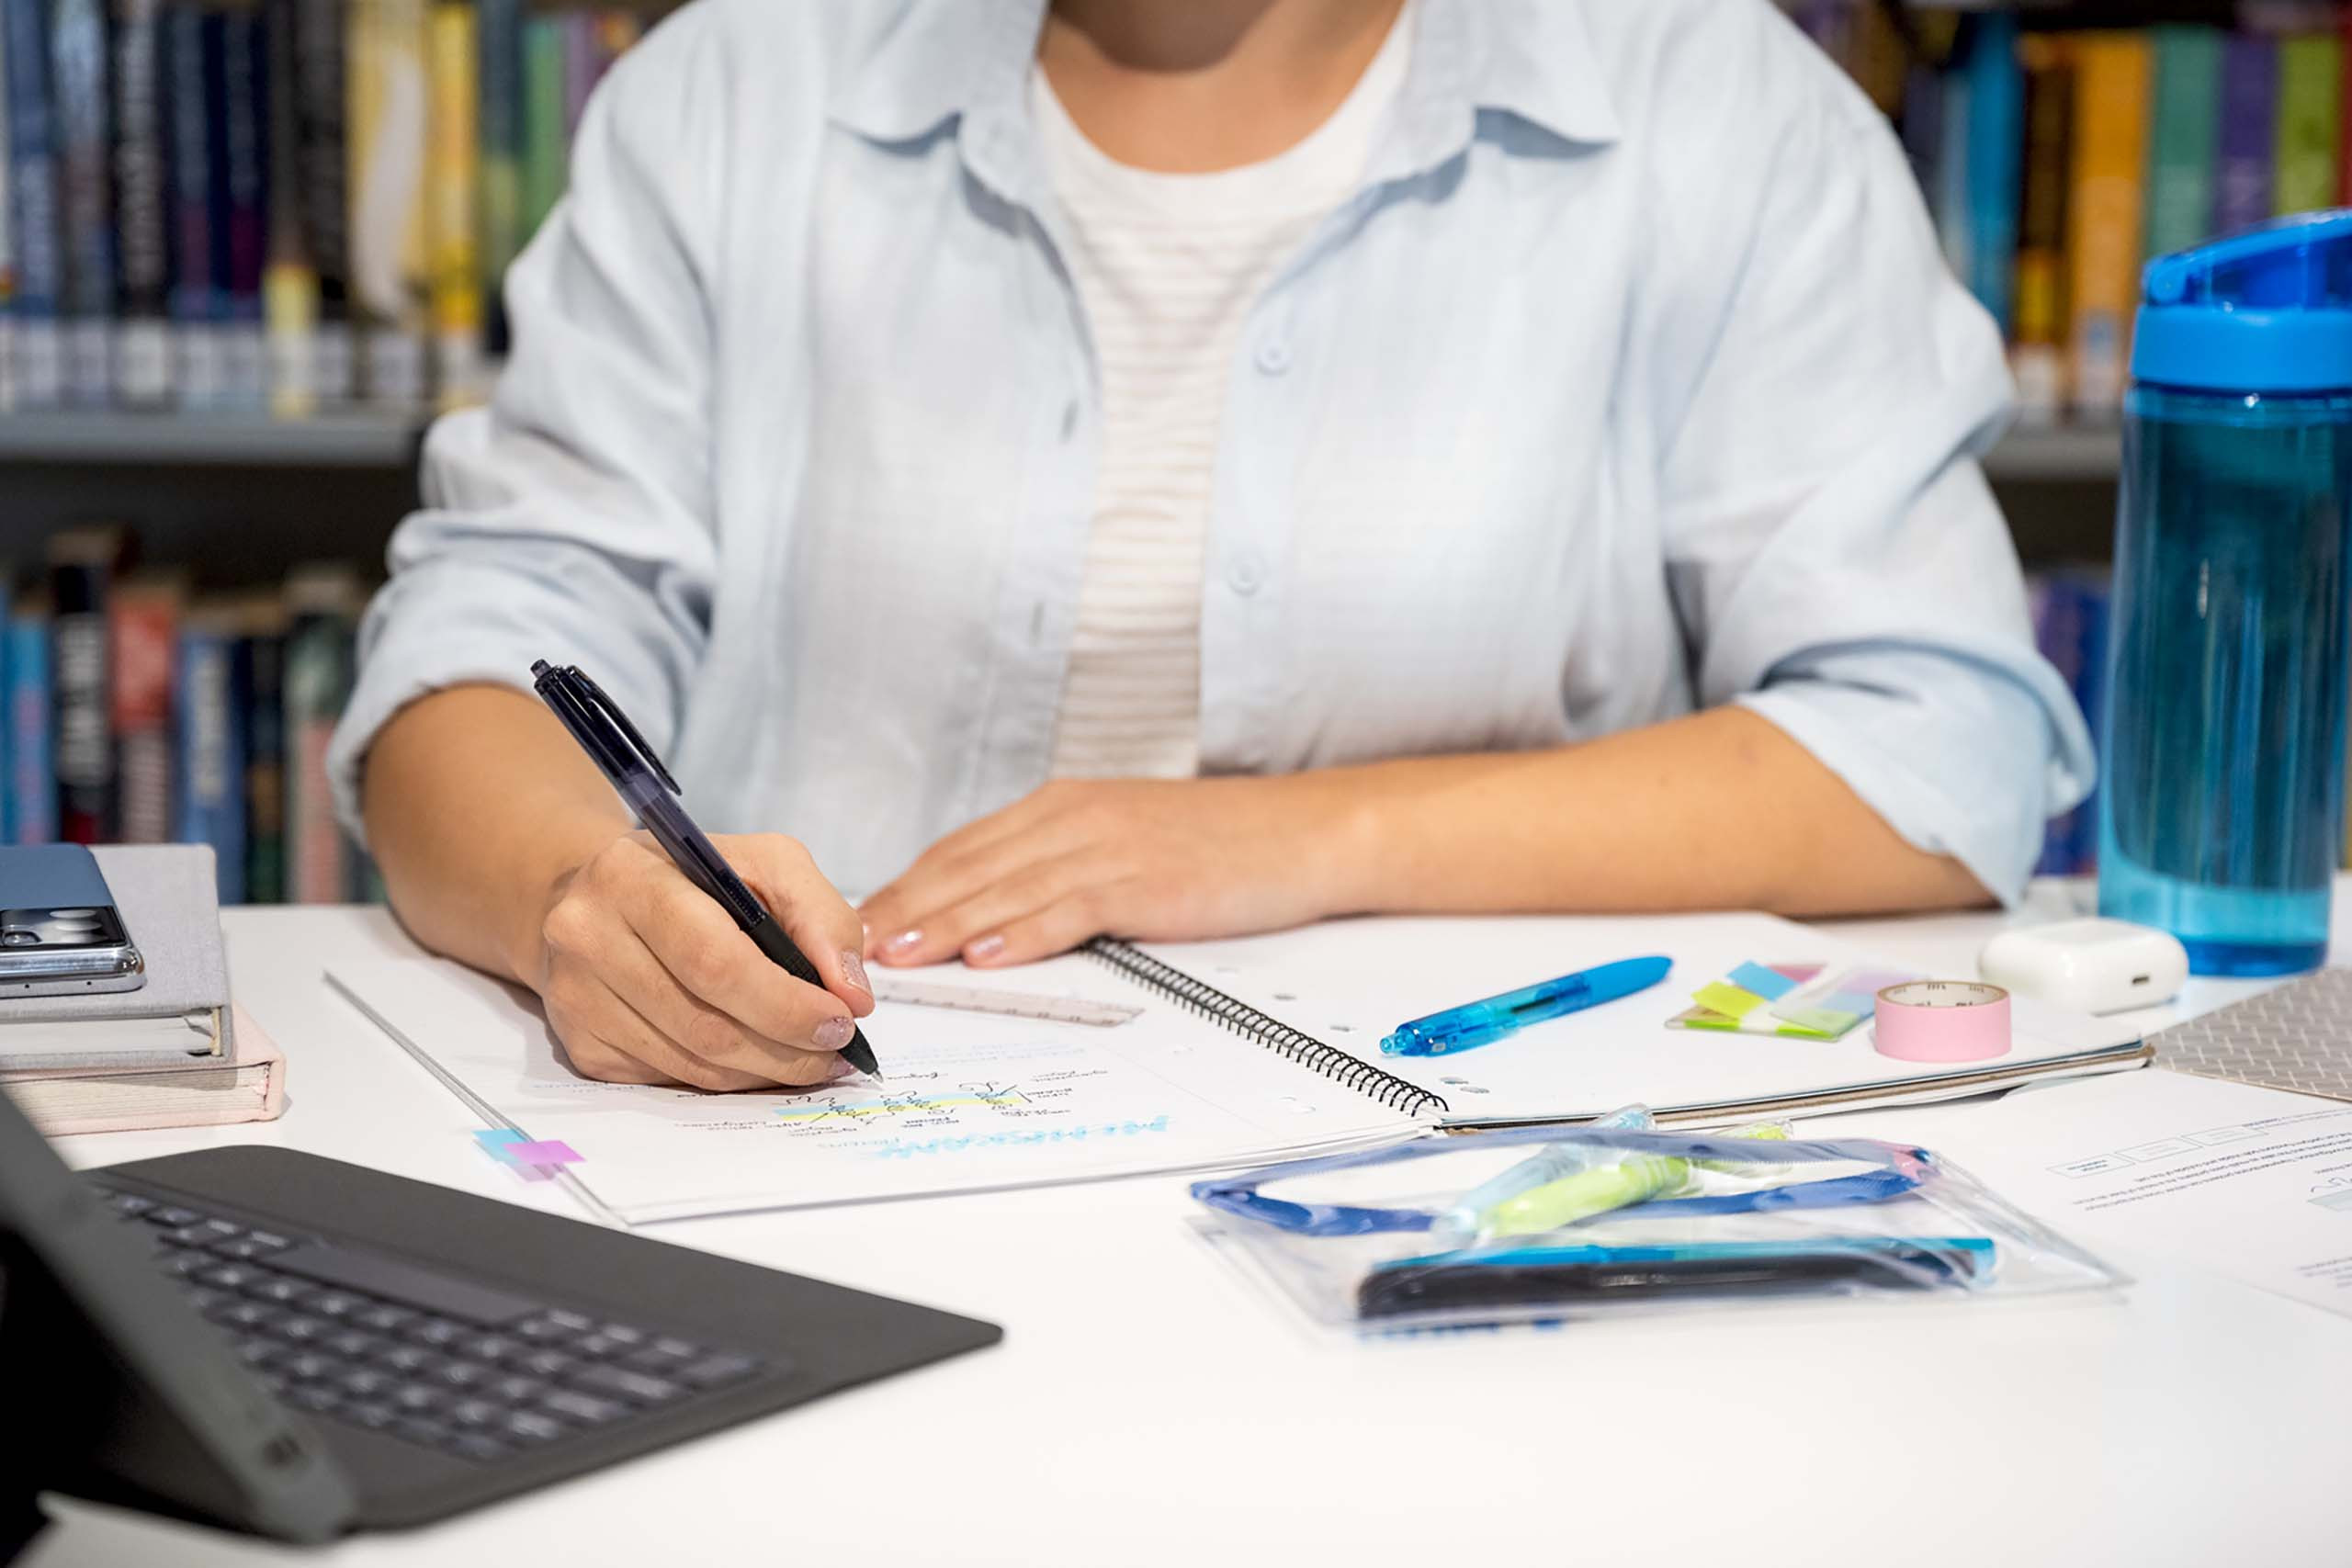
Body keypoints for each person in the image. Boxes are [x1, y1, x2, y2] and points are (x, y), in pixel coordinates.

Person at [333, 0, 2092, 1093]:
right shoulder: (731, 88)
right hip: (820, 1139)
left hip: (1450, 1162)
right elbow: (471, 661)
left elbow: (1934, 759)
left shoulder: (1720, 103)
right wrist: (582, 901)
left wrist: (1297, 835)